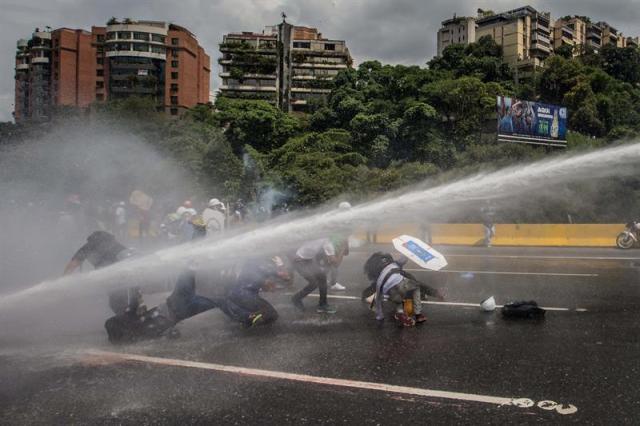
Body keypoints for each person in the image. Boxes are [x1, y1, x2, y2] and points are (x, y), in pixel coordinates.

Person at [63, 231, 139, 315]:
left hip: (116, 277)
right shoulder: (115, 244)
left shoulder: (89, 246)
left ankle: (130, 320)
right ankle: (137, 314)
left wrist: (63, 281)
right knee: (131, 298)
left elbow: (73, 264)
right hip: (131, 272)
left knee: (116, 303)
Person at [363, 252, 444, 327]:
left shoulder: (386, 273)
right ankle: (403, 311)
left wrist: (379, 315)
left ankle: (403, 310)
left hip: (393, 283)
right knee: (407, 290)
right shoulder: (386, 271)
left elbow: (402, 262)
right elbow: (402, 262)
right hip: (393, 285)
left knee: (409, 286)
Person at [222, 256, 291, 327]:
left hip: (235, 296)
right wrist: (280, 264)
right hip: (246, 296)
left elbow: (263, 285)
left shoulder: (249, 266)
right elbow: (286, 277)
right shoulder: (265, 268)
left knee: (265, 312)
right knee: (271, 314)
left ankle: (246, 319)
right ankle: (249, 321)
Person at [291, 236, 348, 314]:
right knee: (314, 283)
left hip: (308, 260)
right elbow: (336, 264)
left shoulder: (324, 240)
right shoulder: (327, 244)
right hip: (299, 261)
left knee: (322, 277)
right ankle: (296, 298)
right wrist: (342, 250)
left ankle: (322, 305)